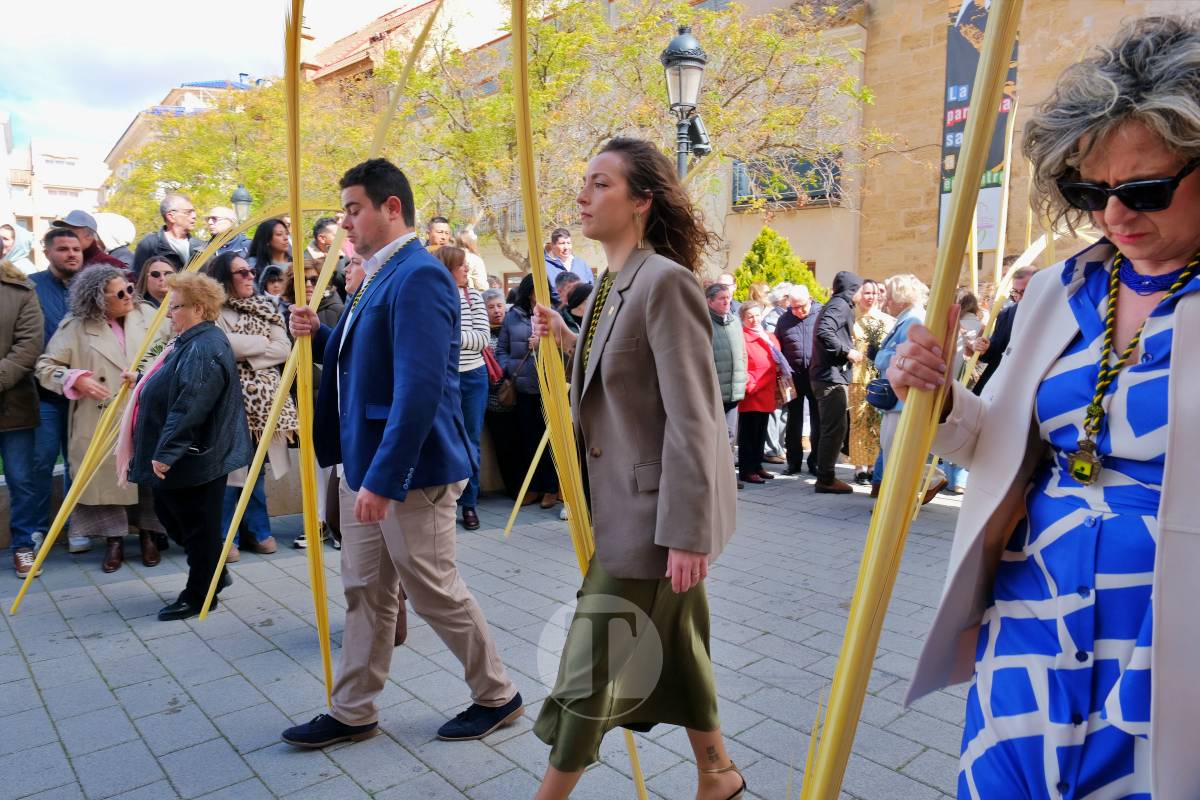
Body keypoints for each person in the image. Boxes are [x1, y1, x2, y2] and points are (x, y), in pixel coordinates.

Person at [896, 19, 1200, 797]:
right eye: (1090, 193)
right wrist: (938, 398)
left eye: (1145, 190)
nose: (1115, 215)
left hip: (1169, 635)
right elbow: (998, 444)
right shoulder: (1063, 290)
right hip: (1033, 610)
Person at [528, 137, 742, 800]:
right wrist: (566, 340)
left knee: (589, 666)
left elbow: (694, 416)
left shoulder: (665, 282)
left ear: (642, 201)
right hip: (621, 509)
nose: (583, 196)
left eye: (601, 184)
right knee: (681, 645)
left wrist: (688, 532)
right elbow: (620, 382)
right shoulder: (605, 289)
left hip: (654, 521)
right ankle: (718, 773)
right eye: (584, 182)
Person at [283, 157, 521, 748]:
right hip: (364, 463)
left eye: (354, 209)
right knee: (365, 591)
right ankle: (353, 710)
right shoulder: (380, 273)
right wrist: (319, 333)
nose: (345, 222)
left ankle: (498, 695)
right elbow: (365, 358)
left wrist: (385, 478)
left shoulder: (419, 275)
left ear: (392, 208)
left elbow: (421, 386)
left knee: (433, 588)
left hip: (407, 471)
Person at [123, 273, 252, 620]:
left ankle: (199, 594)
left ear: (198, 308)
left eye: (176, 307)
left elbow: (191, 403)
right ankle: (213, 571)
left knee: (196, 526)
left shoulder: (203, 346)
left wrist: (167, 452)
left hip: (196, 456)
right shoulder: (191, 341)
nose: (169, 314)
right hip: (191, 453)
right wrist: (141, 382)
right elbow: (173, 385)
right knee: (175, 517)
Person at [35, 265, 170, 572]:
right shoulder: (76, 326)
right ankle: (113, 540)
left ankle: (149, 535)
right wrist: (75, 379)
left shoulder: (149, 316)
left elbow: (173, 350)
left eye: (130, 289)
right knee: (106, 481)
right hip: (100, 419)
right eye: (120, 293)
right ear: (98, 298)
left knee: (149, 475)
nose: (129, 296)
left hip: (146, 412)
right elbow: (45, 366)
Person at [203, 252, 296, 560]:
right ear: (224, 277)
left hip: (263, 406)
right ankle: (224, 535)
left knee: (256, 470)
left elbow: (284, 348)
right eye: (241, 272)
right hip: (226, 402)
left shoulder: (266, 307)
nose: (250, 276)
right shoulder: (210, 309)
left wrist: (243, 349)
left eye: (251, 271)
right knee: (230, 469)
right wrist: (260, 344)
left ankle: (257, 531)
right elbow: (217, 345)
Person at [282, 259, 346, 550]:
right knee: (313, 467)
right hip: (303, 400)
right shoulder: (286, 313)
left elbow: (341, 354)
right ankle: (317, 521)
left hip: (331, 399)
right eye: (303, 279)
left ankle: (338, 524)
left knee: (337, 465)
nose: (309, 284)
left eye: (314, 279)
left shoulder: (336, 309)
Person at [29, 229, 84, 550]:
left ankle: (78, 526)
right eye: (63, 249)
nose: (71, 254)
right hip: (45, 394)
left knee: (79, 462)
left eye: (76, 248)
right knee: (41, 463)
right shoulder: (31, 287)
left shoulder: (91, 287)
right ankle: (35, 532)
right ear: (47, 252)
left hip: (85, 394)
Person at [434, 245, 491, 531]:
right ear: (447, 268)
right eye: (461, 265)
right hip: (441, 379)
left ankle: (469, 504)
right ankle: (445, 502)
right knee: (442, 441)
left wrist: (448, 336)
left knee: (470, 442)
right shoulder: (432, 297)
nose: (466, 269)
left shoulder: (473, 297)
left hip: (473, 378)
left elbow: (482, 339)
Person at [497, 274, 559, 508]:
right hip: (522, 387)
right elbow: (501, 349)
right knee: (527, 440)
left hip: (549, 387)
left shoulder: (555, 313)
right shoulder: (513, 316)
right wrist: (511, 369)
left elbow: (565, 345)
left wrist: (543, 344)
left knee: (549, 441)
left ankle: (551, 488)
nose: (538, 294)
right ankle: (533, 487)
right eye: (534, 290)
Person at [0, 257, 44, 577]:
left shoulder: (21, 290)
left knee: (21, 480)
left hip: (13, 405)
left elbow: (29, 345)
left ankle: (23, 546)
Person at [809, 270, 863, 493]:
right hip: (829, 377)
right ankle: (825, 479)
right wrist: (847, 351)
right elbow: (824, 331)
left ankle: (825, 475)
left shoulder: (839, 304)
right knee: (833, 429)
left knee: (834, 428)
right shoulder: (840, 305)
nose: (861, 293)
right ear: (852, 289)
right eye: (859, 289)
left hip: (828, 375)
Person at [774, 285, 823, 477]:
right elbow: (777, 347)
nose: (798, 311)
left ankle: (816, 461)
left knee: (818, 419)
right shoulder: (784, 319)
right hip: (793, 376)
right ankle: (793, 462)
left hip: (816, 374)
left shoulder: (821, 314)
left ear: (810, 300)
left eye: (802, 306)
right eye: (793, 307)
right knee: (793, 420)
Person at [848, 280, 893, 485]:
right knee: (858, 421)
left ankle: (874, 465)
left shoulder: (888, 321)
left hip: (879, 377)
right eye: (867, 293)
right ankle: (859, 468)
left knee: (877, 422)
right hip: (857, 377)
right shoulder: (851, 319)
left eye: (874, 293)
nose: (871, 297)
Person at [969, 266, 1036, 395]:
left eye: (1024, 292)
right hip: (1001, 384)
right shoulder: (1006, 314)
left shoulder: (1051, 314)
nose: (1018, 298)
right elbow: (996, 352)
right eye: (1015, 292)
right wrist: (985, 348)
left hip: (1031, 385)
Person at [706, 282, 747, 488]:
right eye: (721, 298)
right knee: (714, 436)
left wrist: (743, 377)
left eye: (728, 298)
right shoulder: (704, 322)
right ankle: (713, 476)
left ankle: (728, 477)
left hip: (733, 389)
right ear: (709, 301)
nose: (726, 302)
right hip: (714, 391)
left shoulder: (734, 321)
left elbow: (742, 353)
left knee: (730, 436)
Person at [942, 289, 983, 495]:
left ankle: (952, 477)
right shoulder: (979, 324)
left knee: (950, 425)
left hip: (954, 380)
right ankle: (958, 479)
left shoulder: (954, 324)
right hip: (970, 383)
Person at [737, 301, 781, 485]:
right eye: (750, 316)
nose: (754, 319)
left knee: (761, 431)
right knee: (749, 433)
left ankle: (757, 465)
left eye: (757, 315)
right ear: (743, 318)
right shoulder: (741, 337)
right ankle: (747, 470)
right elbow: (740, 363)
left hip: (767, 390)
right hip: (753, 391)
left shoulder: (768, 336)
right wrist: (751, 384)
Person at [483, 288, 521, 497]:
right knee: (504, 446)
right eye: (491, 307)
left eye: (499, 305)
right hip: (494, 400)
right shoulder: (483, 334)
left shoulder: (514, 329)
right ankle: (514, 488)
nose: (497, 311)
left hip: (519, 395)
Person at [133, 193, 205, 274]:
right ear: (171, 217)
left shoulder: (201, 247)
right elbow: (139, 278)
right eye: (188, 212)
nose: (194, 216)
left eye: (194, 212)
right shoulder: (149, 245)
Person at [544, 227, 592, 304]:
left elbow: (592, 292)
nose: (566, 247)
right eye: (562, 243)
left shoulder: (582, 265)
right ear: (552, 245)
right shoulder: (545, 268)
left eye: (568, 243)